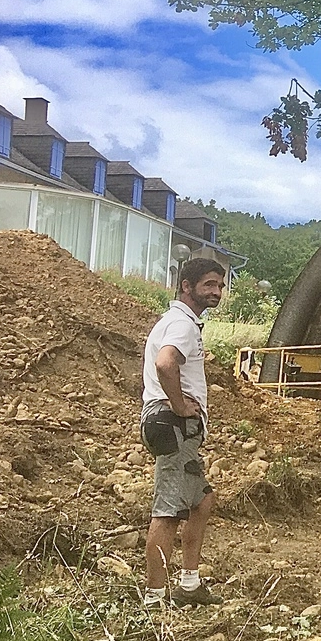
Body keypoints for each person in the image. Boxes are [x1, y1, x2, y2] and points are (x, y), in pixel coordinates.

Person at [140, 257, 226, 608]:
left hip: (174, 427)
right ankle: (154, 599)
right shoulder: (182, 324)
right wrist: (178, 405)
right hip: (173, 424)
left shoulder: (179, 321)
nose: (217, 292)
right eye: (209, 284)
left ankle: (189, 583)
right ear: (186, 286)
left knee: (202, 501)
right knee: (168, 512)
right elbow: (165, 363)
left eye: (220, 285)